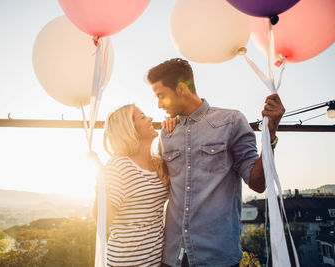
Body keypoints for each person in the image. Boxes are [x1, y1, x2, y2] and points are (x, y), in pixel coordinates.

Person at [146, 58, 285, 267]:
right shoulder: (167, 132)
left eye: (161, 96)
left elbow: (257, 183)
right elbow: (160, 185)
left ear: (181, 88)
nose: (158, 104)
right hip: (172, 257)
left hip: (217, 258)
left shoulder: (231, 122)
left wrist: (270, 133)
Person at [100, 104, 173, 266]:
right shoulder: (117, 167)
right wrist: (100, 187)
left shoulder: (158, 164)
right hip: (125, 261)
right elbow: (102, 221)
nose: (150, 119)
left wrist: (176, 126)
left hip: (156, 262)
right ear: (129, 130)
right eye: (142, 117)